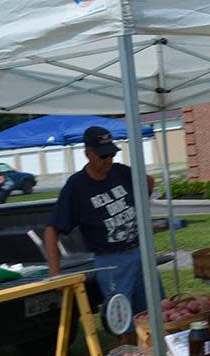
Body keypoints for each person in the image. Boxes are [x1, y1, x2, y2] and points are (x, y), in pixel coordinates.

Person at [45, 126, 159, 340]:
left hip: (139, 252)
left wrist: (141, 205)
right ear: (88, 153)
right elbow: (52, 230)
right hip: (111, 262)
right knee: (122, 322)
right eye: (103, 155)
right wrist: (55, 273)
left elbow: (149, 181)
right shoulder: (76, 186)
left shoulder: (121, 172)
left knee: (155, 315)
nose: (108, 160)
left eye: (112, 154)